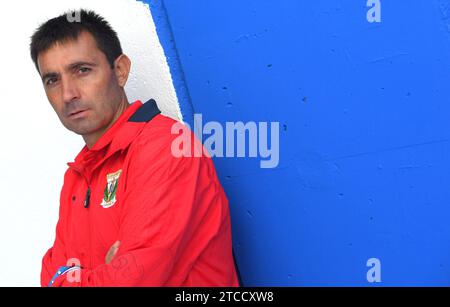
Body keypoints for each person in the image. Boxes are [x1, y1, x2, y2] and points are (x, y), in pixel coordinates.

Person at [30, 9, 239, 287]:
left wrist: (79, 277)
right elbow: (50, 276)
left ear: (120, 70)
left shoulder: (167, 147)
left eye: (82, 70)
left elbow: (132, 281)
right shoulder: (78, 175)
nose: (68, 94)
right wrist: (99, 274)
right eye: (52, 80)